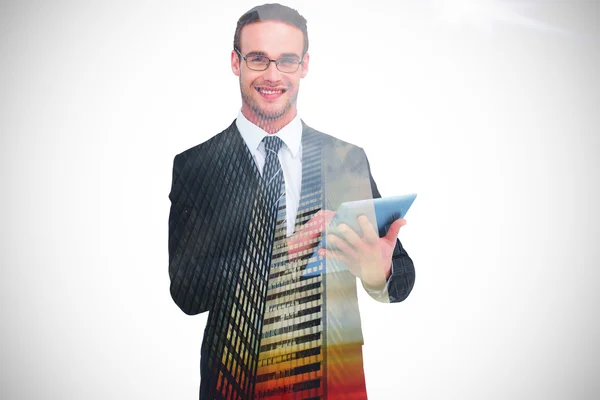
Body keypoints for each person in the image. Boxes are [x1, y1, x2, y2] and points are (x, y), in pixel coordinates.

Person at [168, 4, 415, 399]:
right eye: (257, 59)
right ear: (236, 62)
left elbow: (399, 278)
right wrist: (282, 252)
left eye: (286, 61)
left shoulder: (346, 158)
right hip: (235, 384)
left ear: (304, 66)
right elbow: (186, 294)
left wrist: (376, 273)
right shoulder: (197, 167)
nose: (271, 75)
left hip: (336, 385)